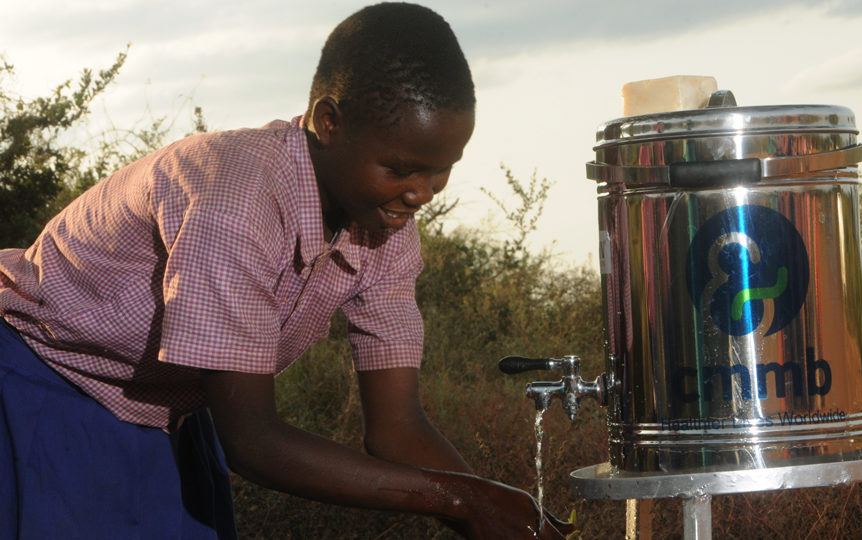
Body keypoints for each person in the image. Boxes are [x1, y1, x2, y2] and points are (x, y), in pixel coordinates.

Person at [0, 3, 574, 538]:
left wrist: (502, 505)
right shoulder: (235, 199)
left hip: (164, 411)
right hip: (44, 383)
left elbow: (396, 427)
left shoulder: (385, 225)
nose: (421, 194)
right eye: (400, 168)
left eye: (440, 171)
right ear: (329, 122)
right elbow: (252, 441)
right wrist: (461, 503)